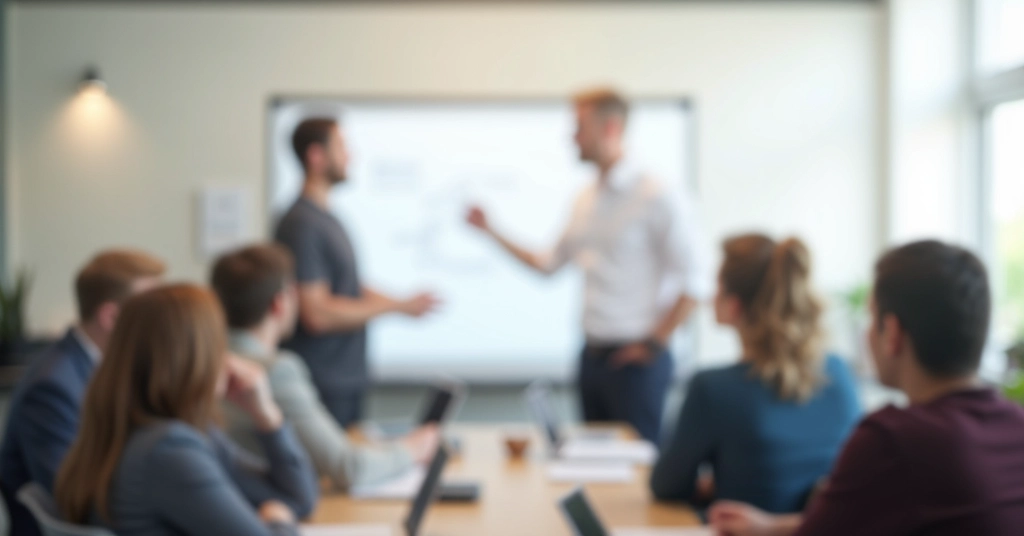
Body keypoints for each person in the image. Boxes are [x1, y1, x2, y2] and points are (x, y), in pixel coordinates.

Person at [709, 240, 1024, 536]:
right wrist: (772, 526)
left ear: (892, 333)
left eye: (871, 318)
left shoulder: (892, 440)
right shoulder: (1015, 425)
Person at [466, 88, 709, 443]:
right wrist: (491, 231)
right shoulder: (586, 197)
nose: (572, 138)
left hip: (637, 363)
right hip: (591, 359)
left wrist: (654, 344)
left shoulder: (658, 193)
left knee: (636, 478)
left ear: (610, 128)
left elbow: (697, 282)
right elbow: (547, 264)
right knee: (594, 468)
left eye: (579, 127)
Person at [54, 284, 319, 536]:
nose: (227, 359)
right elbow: (284, 509)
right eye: (218, 345)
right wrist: (278, 521)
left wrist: (266, 415)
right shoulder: (168, 449)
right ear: (195, 359)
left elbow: (297, 498)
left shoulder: (143, 431)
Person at [650, 235, 861, 513]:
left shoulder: (713, 389)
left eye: (718, 287)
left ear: (734, 305)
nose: (711, 296)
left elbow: (668, 486)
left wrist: (713, 484)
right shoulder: (839, 372)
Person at [211, 244, 441, 491]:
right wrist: (413, 448)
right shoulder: (276, 371)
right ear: (280, 303)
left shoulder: (207, 362)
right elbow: (348, 468)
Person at [276, 118, 440, 428]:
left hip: (345, 381)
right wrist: (394, 307)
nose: (351, 156)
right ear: (316, 156)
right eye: (341, 147)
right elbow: (318, 312)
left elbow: (349, 287)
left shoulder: (326, 219)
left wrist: (404, 304)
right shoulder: (301, 224)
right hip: (323, 384)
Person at [0, 250, 165, 536]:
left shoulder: (97, 367)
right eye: (150, 315)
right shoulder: (52, 387)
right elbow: (74, 499)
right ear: (111, 317)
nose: (162, 326)